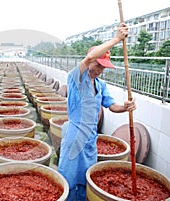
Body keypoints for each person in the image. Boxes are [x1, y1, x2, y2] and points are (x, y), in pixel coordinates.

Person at [57, 22, 136, 201]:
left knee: (87, 179)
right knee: (68, 177)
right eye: (98, 65)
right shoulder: (75, 78)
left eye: (103, 67)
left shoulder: (100, 85)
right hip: (75, 136)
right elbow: (88, 58)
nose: (100, 70)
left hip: (91, 138)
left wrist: (126, 107)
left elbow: (112, 106)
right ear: (90, 61)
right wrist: (117, 39)